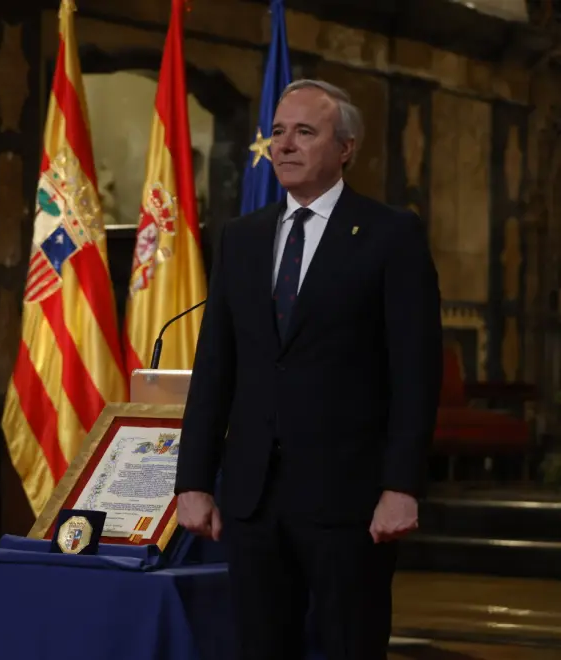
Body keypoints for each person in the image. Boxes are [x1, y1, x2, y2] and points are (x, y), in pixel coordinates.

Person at [174, 79, 443, 659]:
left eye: (304, 132)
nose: (284, 145)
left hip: (349, 501)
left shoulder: (390, 235)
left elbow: (416, 374)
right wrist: (193, 479)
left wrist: (401, 486)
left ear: (346, 147)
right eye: (277, 132)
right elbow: (215, 365)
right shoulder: (240, 239)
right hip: (252, 499)